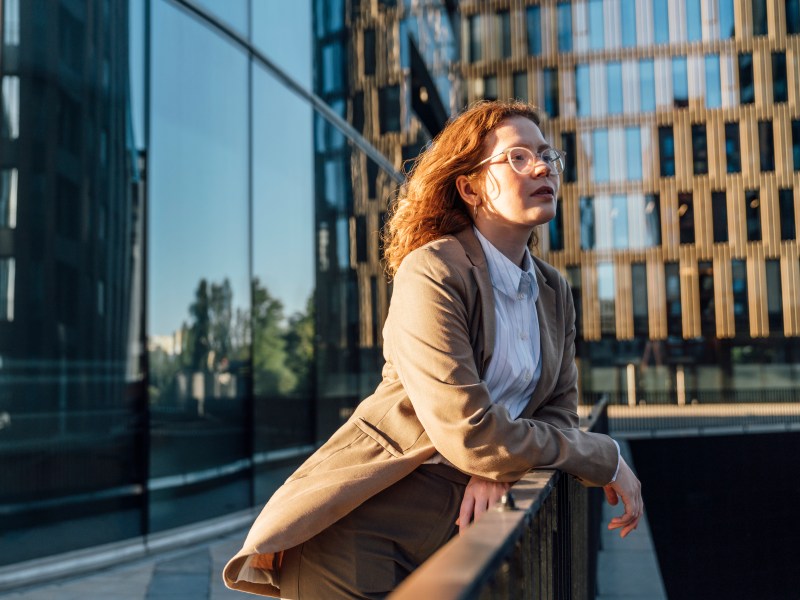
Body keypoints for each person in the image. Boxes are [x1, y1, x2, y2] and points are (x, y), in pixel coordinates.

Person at [223, 100, 643, 599]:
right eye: (517, 157)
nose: (540, 167)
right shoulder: (433, 270)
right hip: (362, 526)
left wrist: (502, 469)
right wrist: (603, 455)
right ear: (469, 187)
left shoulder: (553, 291)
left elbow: (558, 412)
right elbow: (469, 431)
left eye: (547, 156)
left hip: (459, 525)